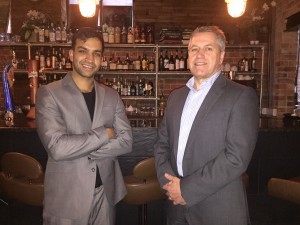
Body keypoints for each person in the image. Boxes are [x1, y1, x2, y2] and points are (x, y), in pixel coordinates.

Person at [154, 26, 259, 225]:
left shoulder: (241, 96)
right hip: (175, 207)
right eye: (194, 49)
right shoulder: (176, 97)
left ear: (221, 56)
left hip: (217, 209)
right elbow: (161, 145)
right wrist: (170, 185)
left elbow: (236, 158)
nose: (199, 55)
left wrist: (186, 189)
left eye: (208, 48)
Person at [36, 27, 133, 225]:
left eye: (96, 53)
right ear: (71, 54)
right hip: (67, 197)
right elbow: (57, 148)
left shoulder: (112, 95)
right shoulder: (49, 94)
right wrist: (104, 134)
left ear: (101, 58)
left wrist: (80, 148)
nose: (90, 58)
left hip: (105, 194)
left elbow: (126, 142)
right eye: (83, 51)